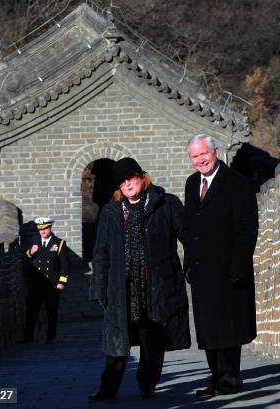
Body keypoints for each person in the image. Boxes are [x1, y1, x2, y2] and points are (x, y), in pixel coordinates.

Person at [88, 157, 190, 401]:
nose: (128, 185)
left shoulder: (165, 204)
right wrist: (98, 289)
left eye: (131, 178)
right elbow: (101, 252)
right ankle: (108, 388)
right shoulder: (111, 212)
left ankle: (148, 383)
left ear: (141, 177)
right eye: (122, 183)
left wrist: (196, 266)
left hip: (155, 285)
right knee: (116, 340)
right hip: (120, 287)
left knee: (151, 339)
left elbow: (188, 236)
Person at [183, 134, 259, 397]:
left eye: (203, 154)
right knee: (207, 326)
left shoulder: (236, 183)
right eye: (194, 156)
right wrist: (188, 263)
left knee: (228, 324)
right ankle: (215, 377)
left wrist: (239, 265)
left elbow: (247, 228)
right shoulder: (192, 184)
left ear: (215, 152)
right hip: (202, 269)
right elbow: (189, 226)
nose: (200, 160)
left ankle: (230, 378)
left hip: (228, 267)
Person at [22, 217, 69, 344]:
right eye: (40, 229)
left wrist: (62, 282)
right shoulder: (35, 241)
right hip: (36, 284)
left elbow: (65, 265)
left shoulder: (59, 243)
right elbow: (27, 257)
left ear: (50, 227)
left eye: (45, 228)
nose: (42, 231)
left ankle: (51, 336)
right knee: (31, 311)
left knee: (51, 312)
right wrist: (31, 252)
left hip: (52, 284)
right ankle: (28, 337)